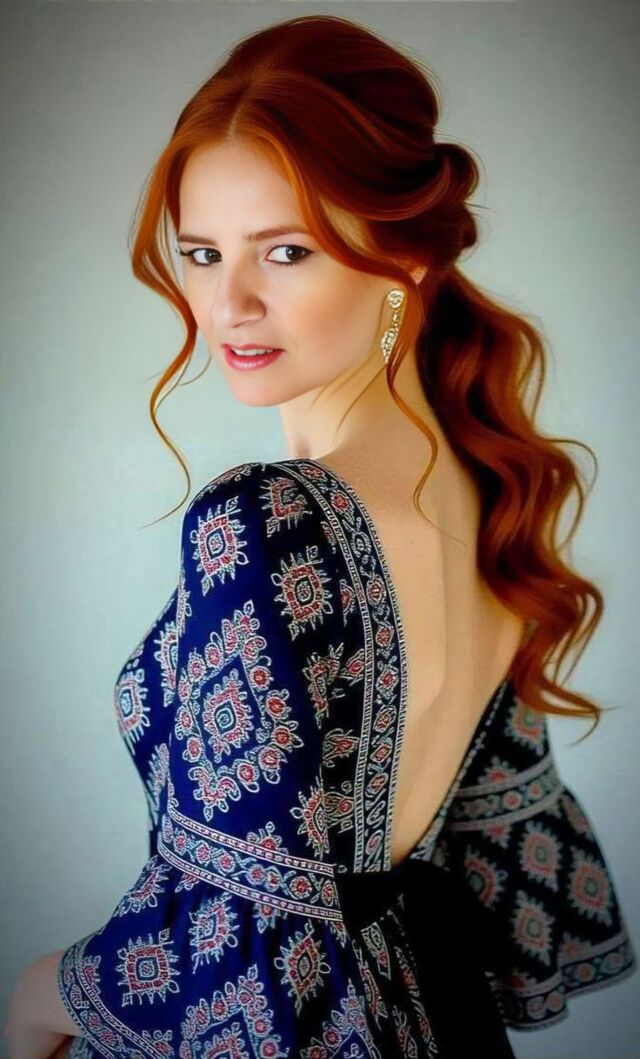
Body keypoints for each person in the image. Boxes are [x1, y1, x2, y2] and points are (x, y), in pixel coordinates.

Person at [5, 13, 635, 1059]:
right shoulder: (489, 480)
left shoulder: (267, 519)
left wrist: (43, 992)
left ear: (405, 255)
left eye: (286, 251)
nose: (229, 304)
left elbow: (241, 930)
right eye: (202, 254)